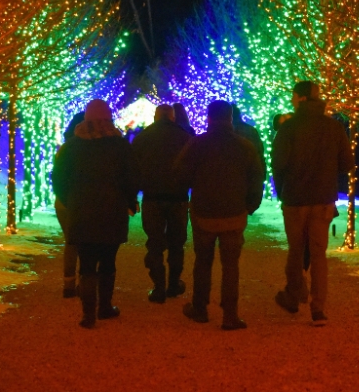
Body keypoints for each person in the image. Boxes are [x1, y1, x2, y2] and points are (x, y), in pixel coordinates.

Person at [175, 100, 264, 330]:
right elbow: (257, 178)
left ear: (209, 118)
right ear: (230, 118)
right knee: (231, 265)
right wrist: (250, 205)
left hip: (204, 212)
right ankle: (230, 314)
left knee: (203, 261)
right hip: (234, 213)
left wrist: (191, 193)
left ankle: (200, 307)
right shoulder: (245, 146)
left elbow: (180, 173)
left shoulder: (197, 144)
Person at [271, 81, 353, 326]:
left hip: (296, 199)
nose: (292, 101)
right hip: (323, 199)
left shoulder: (288, 128)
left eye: (294, 96)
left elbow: (279, 164)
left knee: (296, 250)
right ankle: (318, 308)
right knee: (318, 254)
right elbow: (347, 164)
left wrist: (284, 187)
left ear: (301, 99)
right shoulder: (334, 127)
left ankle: (295, 294)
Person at [52, 99, 139, 329]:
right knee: (108, 262)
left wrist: (69, 201)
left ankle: (87, 314)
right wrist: (130, 201)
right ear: (108, 119)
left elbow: (58, 179)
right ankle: (105, 307)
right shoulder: (120, 146)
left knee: (87, 264)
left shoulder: (72, 147)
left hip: (82, 211)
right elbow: (131, 177)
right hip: (112, 211)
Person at [131, 104, 192, 303]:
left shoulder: (144, 137)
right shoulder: (185, 137)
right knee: (177, 243)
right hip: (178, 198)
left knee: (155, 243)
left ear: (156, 117)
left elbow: (133, 168)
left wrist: (133, 196)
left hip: (153, 197)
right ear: (172, 117)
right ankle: (173, 284)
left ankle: (158, 287)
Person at [55, 110, 84, 298]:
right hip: (80, 201)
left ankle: (68, 284)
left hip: (64, 202)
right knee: (85, 243)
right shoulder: (88, 148)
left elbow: (57, 176)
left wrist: (64, 199)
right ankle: (84, 281)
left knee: (71, 242)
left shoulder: (65, 148)